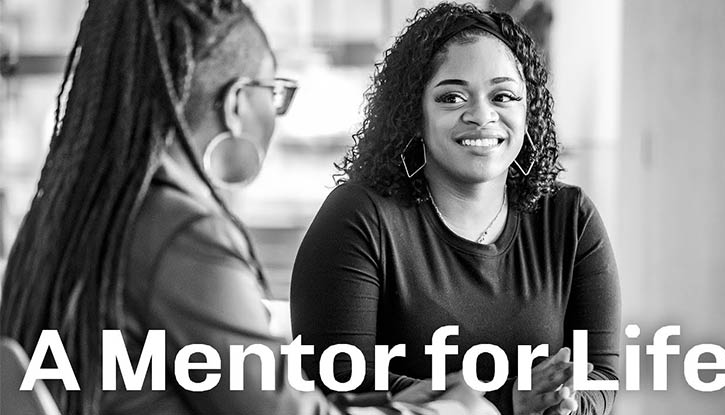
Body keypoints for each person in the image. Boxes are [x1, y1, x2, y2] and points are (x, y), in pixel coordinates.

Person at [0, 1, 499, 414]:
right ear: (237, 104)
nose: (276, 113)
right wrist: (448, 411)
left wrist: (387, 399)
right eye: (275, 93)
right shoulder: (181, 233)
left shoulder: (74, 215)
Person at [290, 3, 621, 415]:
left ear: (528, 111)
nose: (482, 115)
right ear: (415, 114)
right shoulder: (360, 216)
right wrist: (507, 401)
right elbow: (339, 375)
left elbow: (603, 375)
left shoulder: (570, 218)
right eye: (451, 97)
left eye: (503, 96)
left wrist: (566, 403)